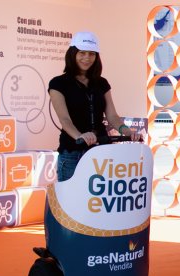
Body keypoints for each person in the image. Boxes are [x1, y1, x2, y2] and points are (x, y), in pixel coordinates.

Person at [48, 31, 141, 181]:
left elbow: (112, 116)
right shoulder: (58, 83)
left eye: (92, 54)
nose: (87, 58)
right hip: (73, 153)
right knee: (71, 202)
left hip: (101, 151)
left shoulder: (102, 83)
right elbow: (65, 120)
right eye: (82, 53)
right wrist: (80, 136)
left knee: (98, 202)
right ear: (73, 54)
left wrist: (127, 131)